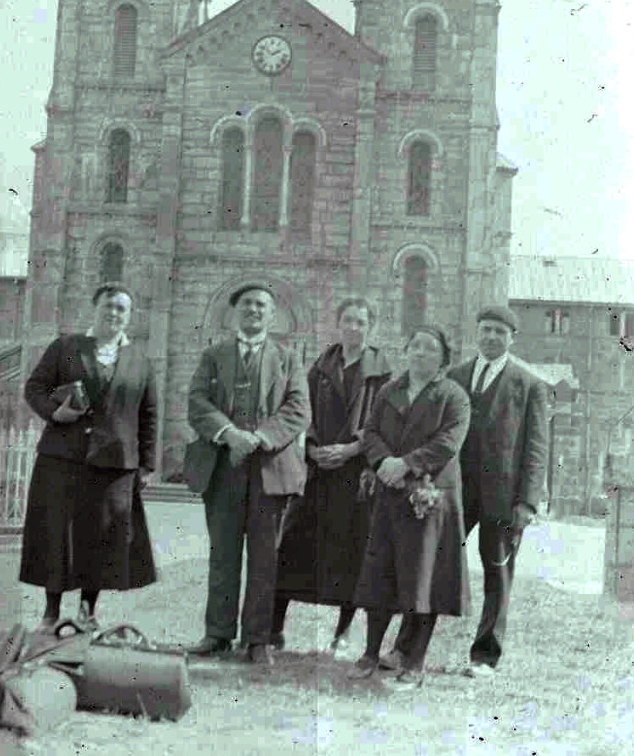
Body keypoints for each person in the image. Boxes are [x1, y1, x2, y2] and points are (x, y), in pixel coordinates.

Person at [184, 283, 310, 665]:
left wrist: (258, 438)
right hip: (223, 467)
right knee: (222, 554)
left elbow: (298, 409)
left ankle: (257, 639)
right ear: (235, 312)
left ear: (272, 316)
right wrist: (229, 434)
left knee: (264, 557)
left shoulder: (288, 358)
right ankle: (217, 634)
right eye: (247, 305)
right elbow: (197, 401)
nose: (254, 311)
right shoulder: (214, 355)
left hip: (269, 471)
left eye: (262, 306)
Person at [19, 283, 157, 631]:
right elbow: (33, 388)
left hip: (114, 464)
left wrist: (147, 463)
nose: (114, 313)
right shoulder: (66, 347)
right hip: (63, 459)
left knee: (101, 537)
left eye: (121, 309)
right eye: (108, 306)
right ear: (95, 309)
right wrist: (55, 413)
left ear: (129, 316)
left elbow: (149, 414)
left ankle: (87, 611)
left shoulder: (140, 360)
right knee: (57, 535)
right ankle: (50, 613)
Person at [350, 324, 471, 686]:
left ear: (443, 359)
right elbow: (370, 432)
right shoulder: (390, 390)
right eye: (415, 346)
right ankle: (372, 652)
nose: (420, 353)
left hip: (430, 496)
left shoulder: (453, 397)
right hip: (390, 494)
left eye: (429, 349)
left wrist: (407, 464)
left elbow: (448, 442)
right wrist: (383, 461)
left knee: (423, 580)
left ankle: (413, 660)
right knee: (379, 574)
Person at [271, 297, 392, 654]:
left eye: (361, 322)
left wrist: (352, 449)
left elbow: (383, 424)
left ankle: (343, 632)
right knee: (293, 548)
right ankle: (274, 629)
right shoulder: (320, 367)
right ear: (338, 324)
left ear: (372, 328)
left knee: (352, 555)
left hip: (355, 476)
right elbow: (300, 410)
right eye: (348, 321)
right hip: (317, 473)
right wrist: (311, 448)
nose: (354, 327)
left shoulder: (382, 374)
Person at [448, 305, 549, 676]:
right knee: (433, 563)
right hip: (455, 491)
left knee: (497, 575)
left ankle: (485, 656)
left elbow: (537, 447)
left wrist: (527, 501)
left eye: (499, 332)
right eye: (486, 329)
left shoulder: (529, 384)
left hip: (503, 499)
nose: (491, 337)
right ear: (477, 332)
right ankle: (411, 647)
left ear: (512, 338)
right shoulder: (454, 376)